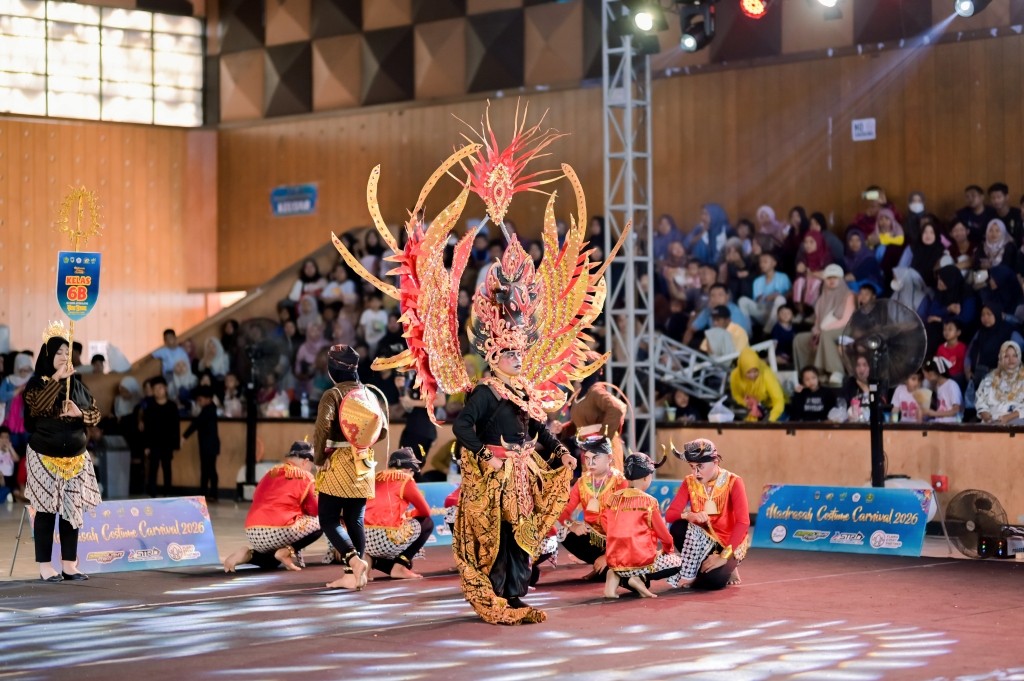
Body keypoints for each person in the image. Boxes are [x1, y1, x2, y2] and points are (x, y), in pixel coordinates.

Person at [23, 322, 102, 582]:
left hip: (75, 457)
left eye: (67, 353)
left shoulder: (77, 385)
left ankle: (69, 564)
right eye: (58, 352)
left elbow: (95, 414)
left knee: (72, 510)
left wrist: (80, 414)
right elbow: (38, 408)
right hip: (44, 455)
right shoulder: (36, 383)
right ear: (47, 355)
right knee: (46, 511)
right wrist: (57, 380)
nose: (64, 357)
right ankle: (46, 566)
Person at [314, 344, 389, 590]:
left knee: (328, 518)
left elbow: (323, 429)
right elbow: (383, 430)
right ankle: (354, 575)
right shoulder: (369, 393)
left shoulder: (332, 395)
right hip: (364, 460)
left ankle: (353, 562)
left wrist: (319, 460)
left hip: (337, 461)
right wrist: (361, 442)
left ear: (332, 369)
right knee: (355, 518)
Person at [223, 440, 322, 572]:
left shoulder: (270, 472)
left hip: (253, 531)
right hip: (280, 529)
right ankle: (287, 551)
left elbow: (257, 498)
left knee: (272, 562)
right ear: (305, 461)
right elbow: (315, 510)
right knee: (324, 521)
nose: (311, 468)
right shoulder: (306, 477)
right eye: (311, 464)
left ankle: (249, 556)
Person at [665, 438, 749, 590]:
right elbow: (670, 515)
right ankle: (703, 567)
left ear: (715, 462)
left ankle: (728, 566)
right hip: (702, 540)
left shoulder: (733, 481)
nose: (695, 472)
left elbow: (743, 523)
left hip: (729, 544)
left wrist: (723, 557)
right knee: (678, 527)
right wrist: (688, 515)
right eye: (692, 467)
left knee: (712, 583)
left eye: (700, 466)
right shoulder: (690, 482)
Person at [601, 452, 681, 599]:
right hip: (640, 562)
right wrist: (666, 550)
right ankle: (639, 579)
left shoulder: (612, 498)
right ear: (646, 477)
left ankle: (612, 582)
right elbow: (665, 536)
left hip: (614, 560)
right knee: (676, 562)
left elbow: (604, 521)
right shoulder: (649, 502)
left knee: (618, 566)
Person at [555, 435, 627, 580]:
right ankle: (600, 564)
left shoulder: (620, 482)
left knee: (610, 573)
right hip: (593, 536)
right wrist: (572, 525)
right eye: (587, 459)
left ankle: (608, 562)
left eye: (596, 458)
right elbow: (563, 512)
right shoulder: (582, 482)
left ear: (609, 458)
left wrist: (607, 555)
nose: (591, 463)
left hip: (618, 540)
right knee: (561, 528)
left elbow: (625, 524)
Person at [364, 447, 435, 580]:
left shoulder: (374, 477)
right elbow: (426, 511)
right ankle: (399, 567)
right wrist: (410, 515)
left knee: (409, 563)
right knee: (427, 523)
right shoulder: (405, 479)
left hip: (364, 539)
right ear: (409, 469)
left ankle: (370, 561)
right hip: (386, 537)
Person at [793, 264, 856, 380]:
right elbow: (818, 320)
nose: (832, 281)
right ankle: (807, 373)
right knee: (800, 339)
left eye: (835, 278)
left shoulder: (848, 294)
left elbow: (846, 319)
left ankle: (836, 371)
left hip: (845, 329)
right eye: (829, 278)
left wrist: (823, 330)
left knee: (826, 335)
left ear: (841, 279)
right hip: (824, 329)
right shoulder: (822, 298)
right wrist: (816, 330)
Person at [142, 375, 180, 497]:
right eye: (155, 389)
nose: (159, 391)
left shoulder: (172, 406)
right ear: (152, 391)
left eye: (161, 388)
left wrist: (176, 444)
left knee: (167, 468)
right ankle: (152, 492)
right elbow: (147, 428)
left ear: (166, 389)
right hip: (154, 443)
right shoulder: (150, 407)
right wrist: (146, 445)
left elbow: (176, 426)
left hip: (168, 443)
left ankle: (167, 492)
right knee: (153, 468)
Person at [183, 385, 220, 501]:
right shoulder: (209, 409)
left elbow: (196, 423)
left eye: (200, 399)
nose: (199, 401)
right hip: (208, 445)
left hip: (209, 445)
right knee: (208, 469)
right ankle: (208, 493)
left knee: (209, 470)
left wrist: (184, 436)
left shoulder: (209, 410)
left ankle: (208, 493)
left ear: (208, 399)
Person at [975, 341, 1024, 425]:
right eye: (1006, 356)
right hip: (991, 421)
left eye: (1014, 356)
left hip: (1017, 421)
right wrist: (986, 416)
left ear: (1019, 357)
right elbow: (980, 400)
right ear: (1001, 358)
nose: (1011, 360)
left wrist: (1008, 417)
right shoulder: (989, 378)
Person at [729, 348, 785, 422]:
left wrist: (769, 420)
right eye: (748, 372)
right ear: (742, 370)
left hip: (772, 408)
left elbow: (779, 401)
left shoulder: (766, 375)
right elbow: (736, 395)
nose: (752, 375)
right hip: (748, 409)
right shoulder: (735, 375)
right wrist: (748, 403)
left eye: (755, 371)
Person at [922, 358, 962, 423]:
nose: (925, 377)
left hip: (952, 423)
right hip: (940, 421)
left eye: (926, 374)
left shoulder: (951, 385)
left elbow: (956, 410)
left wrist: (934, 413)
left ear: (932, 373)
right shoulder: (937, 386)